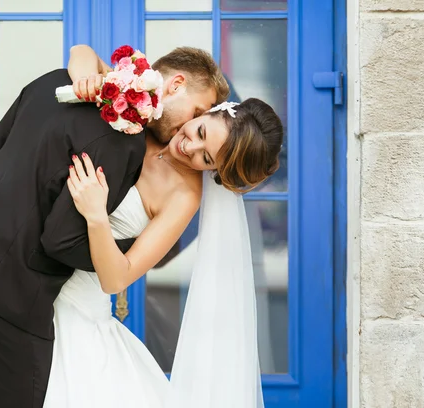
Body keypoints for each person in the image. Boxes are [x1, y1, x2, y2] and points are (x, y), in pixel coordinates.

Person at [0, 45, 228, 408]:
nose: (188, 129)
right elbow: (61, 239)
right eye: (199, 113)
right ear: (174, 84)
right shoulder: (122, 137)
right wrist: (122, 252)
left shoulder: (53, 83)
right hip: (9, 293)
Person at [42, 47, 284, 407]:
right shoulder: (146, 120)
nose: (190, 147)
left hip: (78, 310)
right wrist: (84, 80)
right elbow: (83, 52)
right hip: (36, 281)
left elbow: (117, 278)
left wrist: (96, 217)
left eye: (206, 158)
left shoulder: (184, 197)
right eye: (200, 130)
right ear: (208, 112)